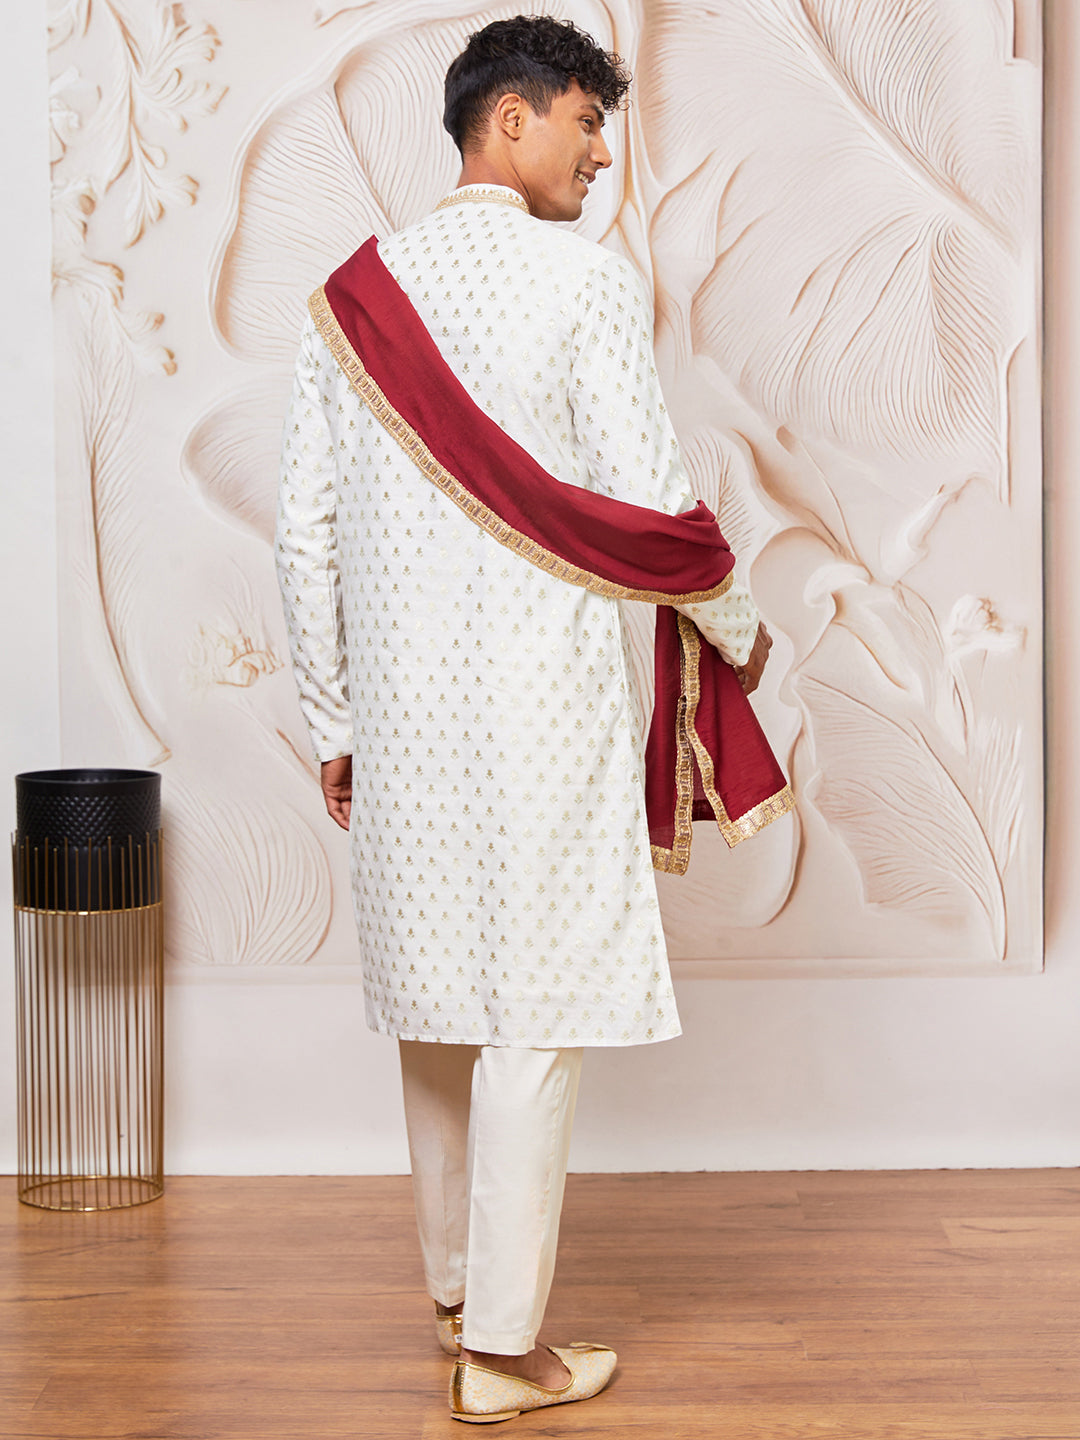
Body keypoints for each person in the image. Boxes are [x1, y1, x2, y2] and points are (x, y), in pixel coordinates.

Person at [276, 15, 791, 1424]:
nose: (601, 152)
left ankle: (460, 1298)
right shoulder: (582, 280)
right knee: (534, 1018)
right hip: (537, 716)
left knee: (437, 1011)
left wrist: (334, 721)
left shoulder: (348, 301)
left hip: (399, 727)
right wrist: (742, 632)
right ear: (510, 121)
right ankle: (504, 1356)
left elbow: (303, 533)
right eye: (585, 120)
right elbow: (655, 507)